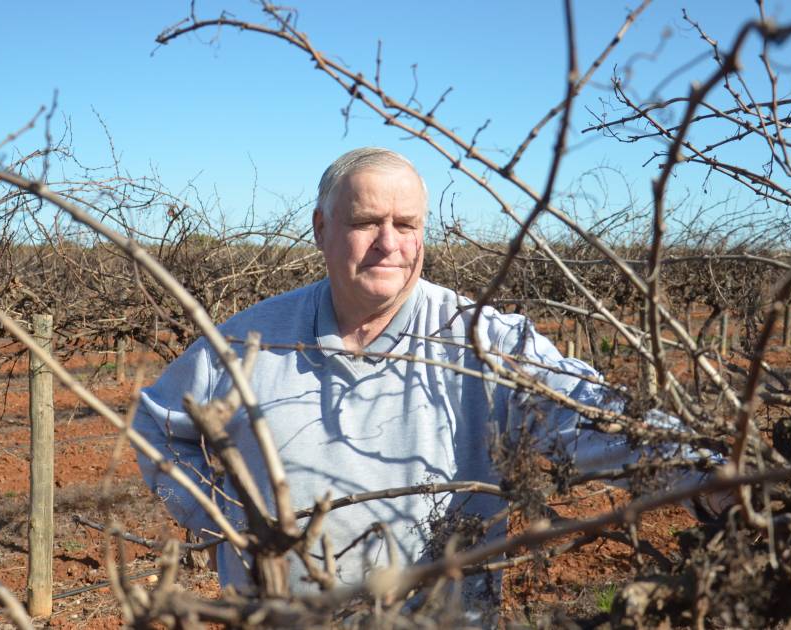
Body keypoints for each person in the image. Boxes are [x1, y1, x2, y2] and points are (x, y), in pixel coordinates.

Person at [132, 147, 691, 603]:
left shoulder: (483, 341)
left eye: (407, 224)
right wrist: (216, 522)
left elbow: (593, 415)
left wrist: (709, 471)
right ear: (321, 228)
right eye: (367, 222)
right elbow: (156, 426)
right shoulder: (245, 341)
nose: (389, 243)